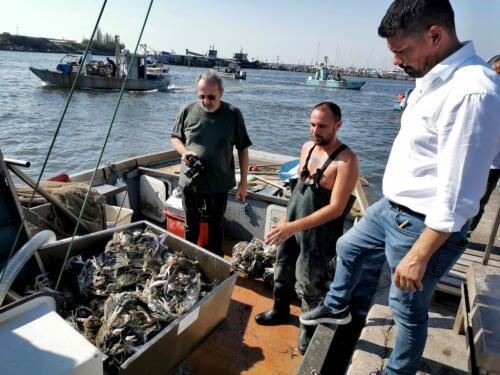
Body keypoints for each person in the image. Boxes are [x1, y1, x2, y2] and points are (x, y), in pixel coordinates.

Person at [300, 1, 500, 374]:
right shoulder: (431, 77)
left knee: (406, 307)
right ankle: (338, 305)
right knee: (348, 245)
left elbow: (460, 197)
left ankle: (397, 371)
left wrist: (419, 256)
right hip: (392, 208)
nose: (395, 62)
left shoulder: (473, 93)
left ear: (435, 36)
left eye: (400, 51)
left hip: (426, 225)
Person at [255, 102, 359, 354]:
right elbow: (298, 192)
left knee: (310, 283)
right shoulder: (306, 148)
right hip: (292, 225)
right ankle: (280, 311)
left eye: (322, 126)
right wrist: (287, 224)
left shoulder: (346, 161)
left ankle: (307, 329)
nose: (315, 130)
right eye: (312, 124)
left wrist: (293, 226)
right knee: (282, 268)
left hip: (318, 236)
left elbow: (336, 208)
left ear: (338, 125)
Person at [170, 72, 252, 257]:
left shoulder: (233, 114)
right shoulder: (187, 110)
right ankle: (188, 261)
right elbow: (175, 138)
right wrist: (184, 152)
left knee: (216, 225)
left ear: (221, 92)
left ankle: (216, 261)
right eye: (201, 96)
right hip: (190, 182)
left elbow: (243, 149)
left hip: (219, 183)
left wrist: (243, 183)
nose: (206, 101)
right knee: (191, 224)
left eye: (211, 97)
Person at [469, 57, 500, 233]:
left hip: (493, 164)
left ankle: (465, 235)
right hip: (470, 157)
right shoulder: (479, 93)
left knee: (480, 202)